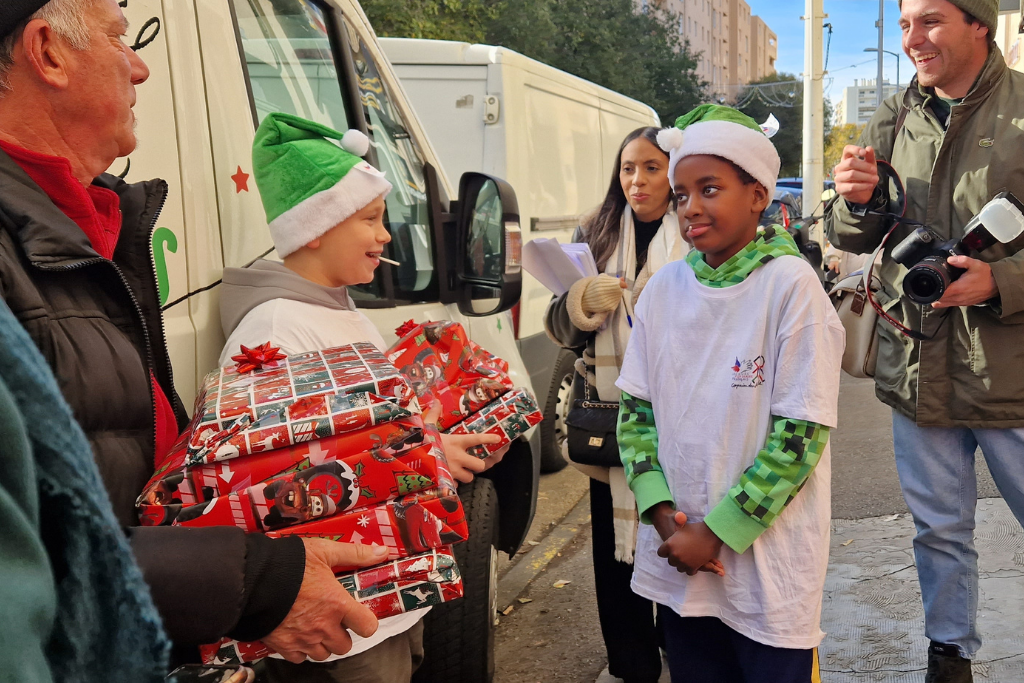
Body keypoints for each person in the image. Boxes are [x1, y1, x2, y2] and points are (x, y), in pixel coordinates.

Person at [0, 0, 383, 668]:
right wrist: (256, 580)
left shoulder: (96, 224)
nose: (142, 68)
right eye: (122, 39)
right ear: (47, 52)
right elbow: (23, 554)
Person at [218, 112, 507, 683]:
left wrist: (432, 446)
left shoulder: (339, 310)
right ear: (317, 226)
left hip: (390, 600)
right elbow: (271, 482)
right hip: (341, 627)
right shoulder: (275, 331)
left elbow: (366, 440)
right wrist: (421, 458)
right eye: (371, 220)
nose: (385, 236)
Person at [826, 0, 1024, 678]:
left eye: (930, 20)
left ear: (981, 25)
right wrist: (852, 199)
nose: (912, 38)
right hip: (918, 361)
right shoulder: (896, 114)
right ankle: (950, 654)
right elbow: (850, 233)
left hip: (1013, 373)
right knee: (938, 528)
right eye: (906, 23)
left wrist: (1000, 283)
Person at [616, 105, 844, 683]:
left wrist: (714, 532)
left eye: (710, 188)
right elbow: (635, 413)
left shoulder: (791, 288)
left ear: (758, 194)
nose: (691, 206)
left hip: (768, 572)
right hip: (679, 563)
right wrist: (666, 519)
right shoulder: (664, 288)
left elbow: (801, 435)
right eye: (682, 193)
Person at [544, 126, 686, 683]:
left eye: (652, 167)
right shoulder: (596, 231)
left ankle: (680, 644)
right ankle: (631, 663)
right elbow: (559, 327)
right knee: (614, 552)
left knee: (675, 535)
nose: (637, 180)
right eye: (628, 168)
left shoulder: (696, 230)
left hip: (681, 419)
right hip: (612, 421)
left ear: (674, 171)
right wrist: (580, 304)